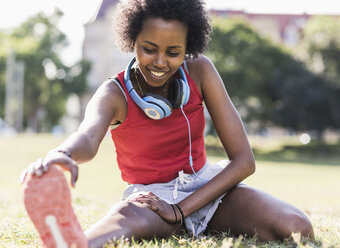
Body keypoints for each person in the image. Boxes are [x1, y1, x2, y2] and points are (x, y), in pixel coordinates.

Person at [21, 0, 314, 247]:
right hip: (151, 199)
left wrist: (181, 210)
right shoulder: (114, 93)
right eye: (149, 49)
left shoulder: (200, 70)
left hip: (206, 189)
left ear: (188, 48)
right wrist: (63, 154)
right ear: (131, 39)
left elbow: (243, 162)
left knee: (297, 226)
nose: (160, 62)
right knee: (121, 226)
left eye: (173, 52)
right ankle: (74, 243)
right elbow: (87, 135)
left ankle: (193, 225)